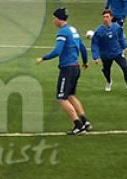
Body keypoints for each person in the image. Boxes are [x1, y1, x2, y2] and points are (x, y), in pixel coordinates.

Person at [35, 7, 91, 135]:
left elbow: (57, 51)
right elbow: (82, 46)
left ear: (59, 19)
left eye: (54, 18)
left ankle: (78, 125)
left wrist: (43, 58)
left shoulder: (63, 32)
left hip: (67, 68)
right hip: (75, 67)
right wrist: (85, 61)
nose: (53, 21)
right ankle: (85, 121)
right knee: (70, 95)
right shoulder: (73, 30)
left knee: (61, 98)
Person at [91, 9, 127, 95]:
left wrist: (125, 46)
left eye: (107, 17)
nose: (105, 19)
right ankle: (108, 81)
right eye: (104, 17)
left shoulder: (117, 28)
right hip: (105, 54)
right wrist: (95, 57)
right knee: (106, 70)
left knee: (125, 68)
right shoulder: (98, 31)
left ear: (111, 17)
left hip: (117, 52)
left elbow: (121, 38)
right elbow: (94, 44)